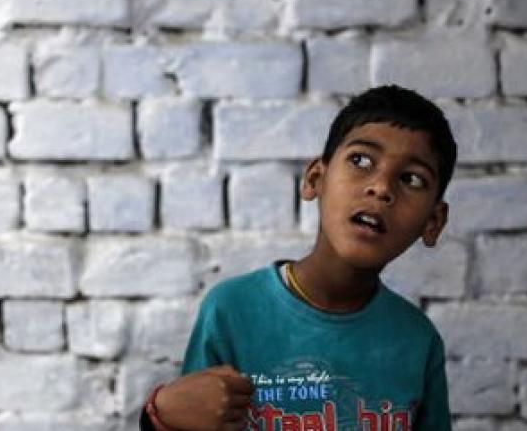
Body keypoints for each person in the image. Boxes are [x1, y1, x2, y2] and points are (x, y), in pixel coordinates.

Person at [141, 85, 456, 431]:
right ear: (315, 179)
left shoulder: (417, 340)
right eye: (361, 161)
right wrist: (159, 413)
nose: (381, 188)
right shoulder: (232, 310)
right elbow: (187, 416)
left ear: (432, 222)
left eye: (411, 179)